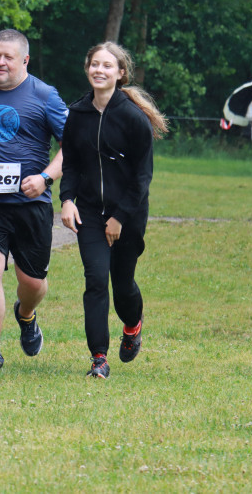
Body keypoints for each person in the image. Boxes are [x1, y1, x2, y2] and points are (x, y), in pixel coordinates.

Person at [0, 29, 67, 370]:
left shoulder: (46, 95)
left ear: (25, 60)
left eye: (8, 56)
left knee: (32, 282)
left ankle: (27, 314)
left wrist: (46, 177)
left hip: (30, 204)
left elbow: (74, 145)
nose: (0, 62)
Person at [60, 42, 168, 378]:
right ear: (87, 68)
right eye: (94, 64)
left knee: (122, 286)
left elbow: (142, 177)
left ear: (120, 73)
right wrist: (66, 199)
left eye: (107, 66)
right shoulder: (77, 114)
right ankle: (98, 358)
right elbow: (72, 163)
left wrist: (120, 218)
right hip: (90, 212)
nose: (99, 70)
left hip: (129, 215)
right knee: (95, 281)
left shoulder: (133, 118)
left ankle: (133, 326)